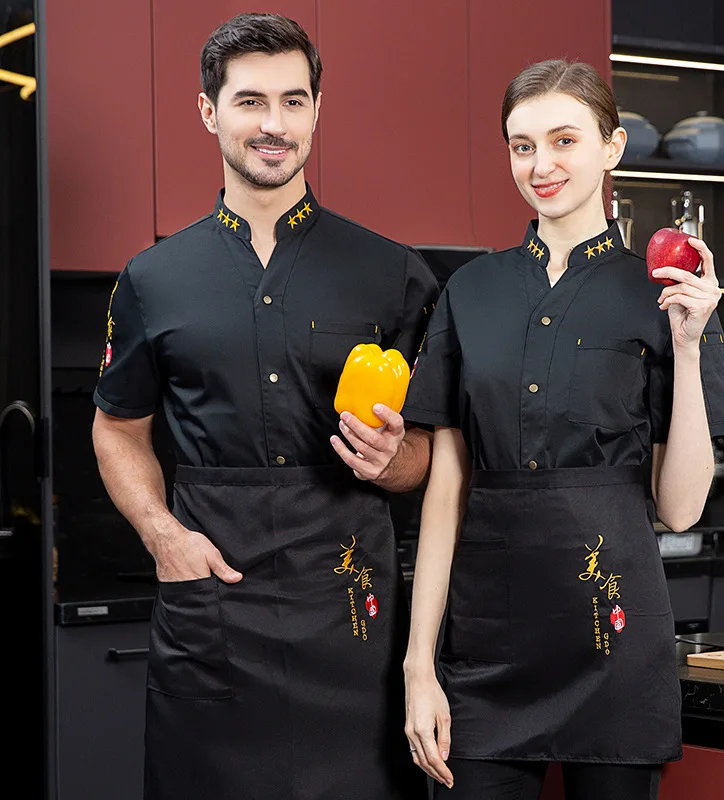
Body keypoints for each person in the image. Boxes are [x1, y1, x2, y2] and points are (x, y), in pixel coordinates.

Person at [91, 13, 437, 800]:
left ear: (318, 108)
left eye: (292, 100)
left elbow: (433, 451)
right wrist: (162, 536)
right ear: (210, 112)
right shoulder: (152, 278)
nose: (273, 124)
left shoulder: (394, 273)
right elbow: (116, 428)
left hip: (353, 614)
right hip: (212, 602)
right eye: (250, 102)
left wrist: (397, 462)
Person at [401, 59, 724, 799]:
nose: (541, 165)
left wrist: (687, 346)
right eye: (522, 146)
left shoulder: (670, 295)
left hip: (614, 642)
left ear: (611, 147)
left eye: (563, 140)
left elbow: (681, 507)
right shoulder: (470, 291)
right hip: (485, 645)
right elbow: (446, 488)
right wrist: (418, 664)